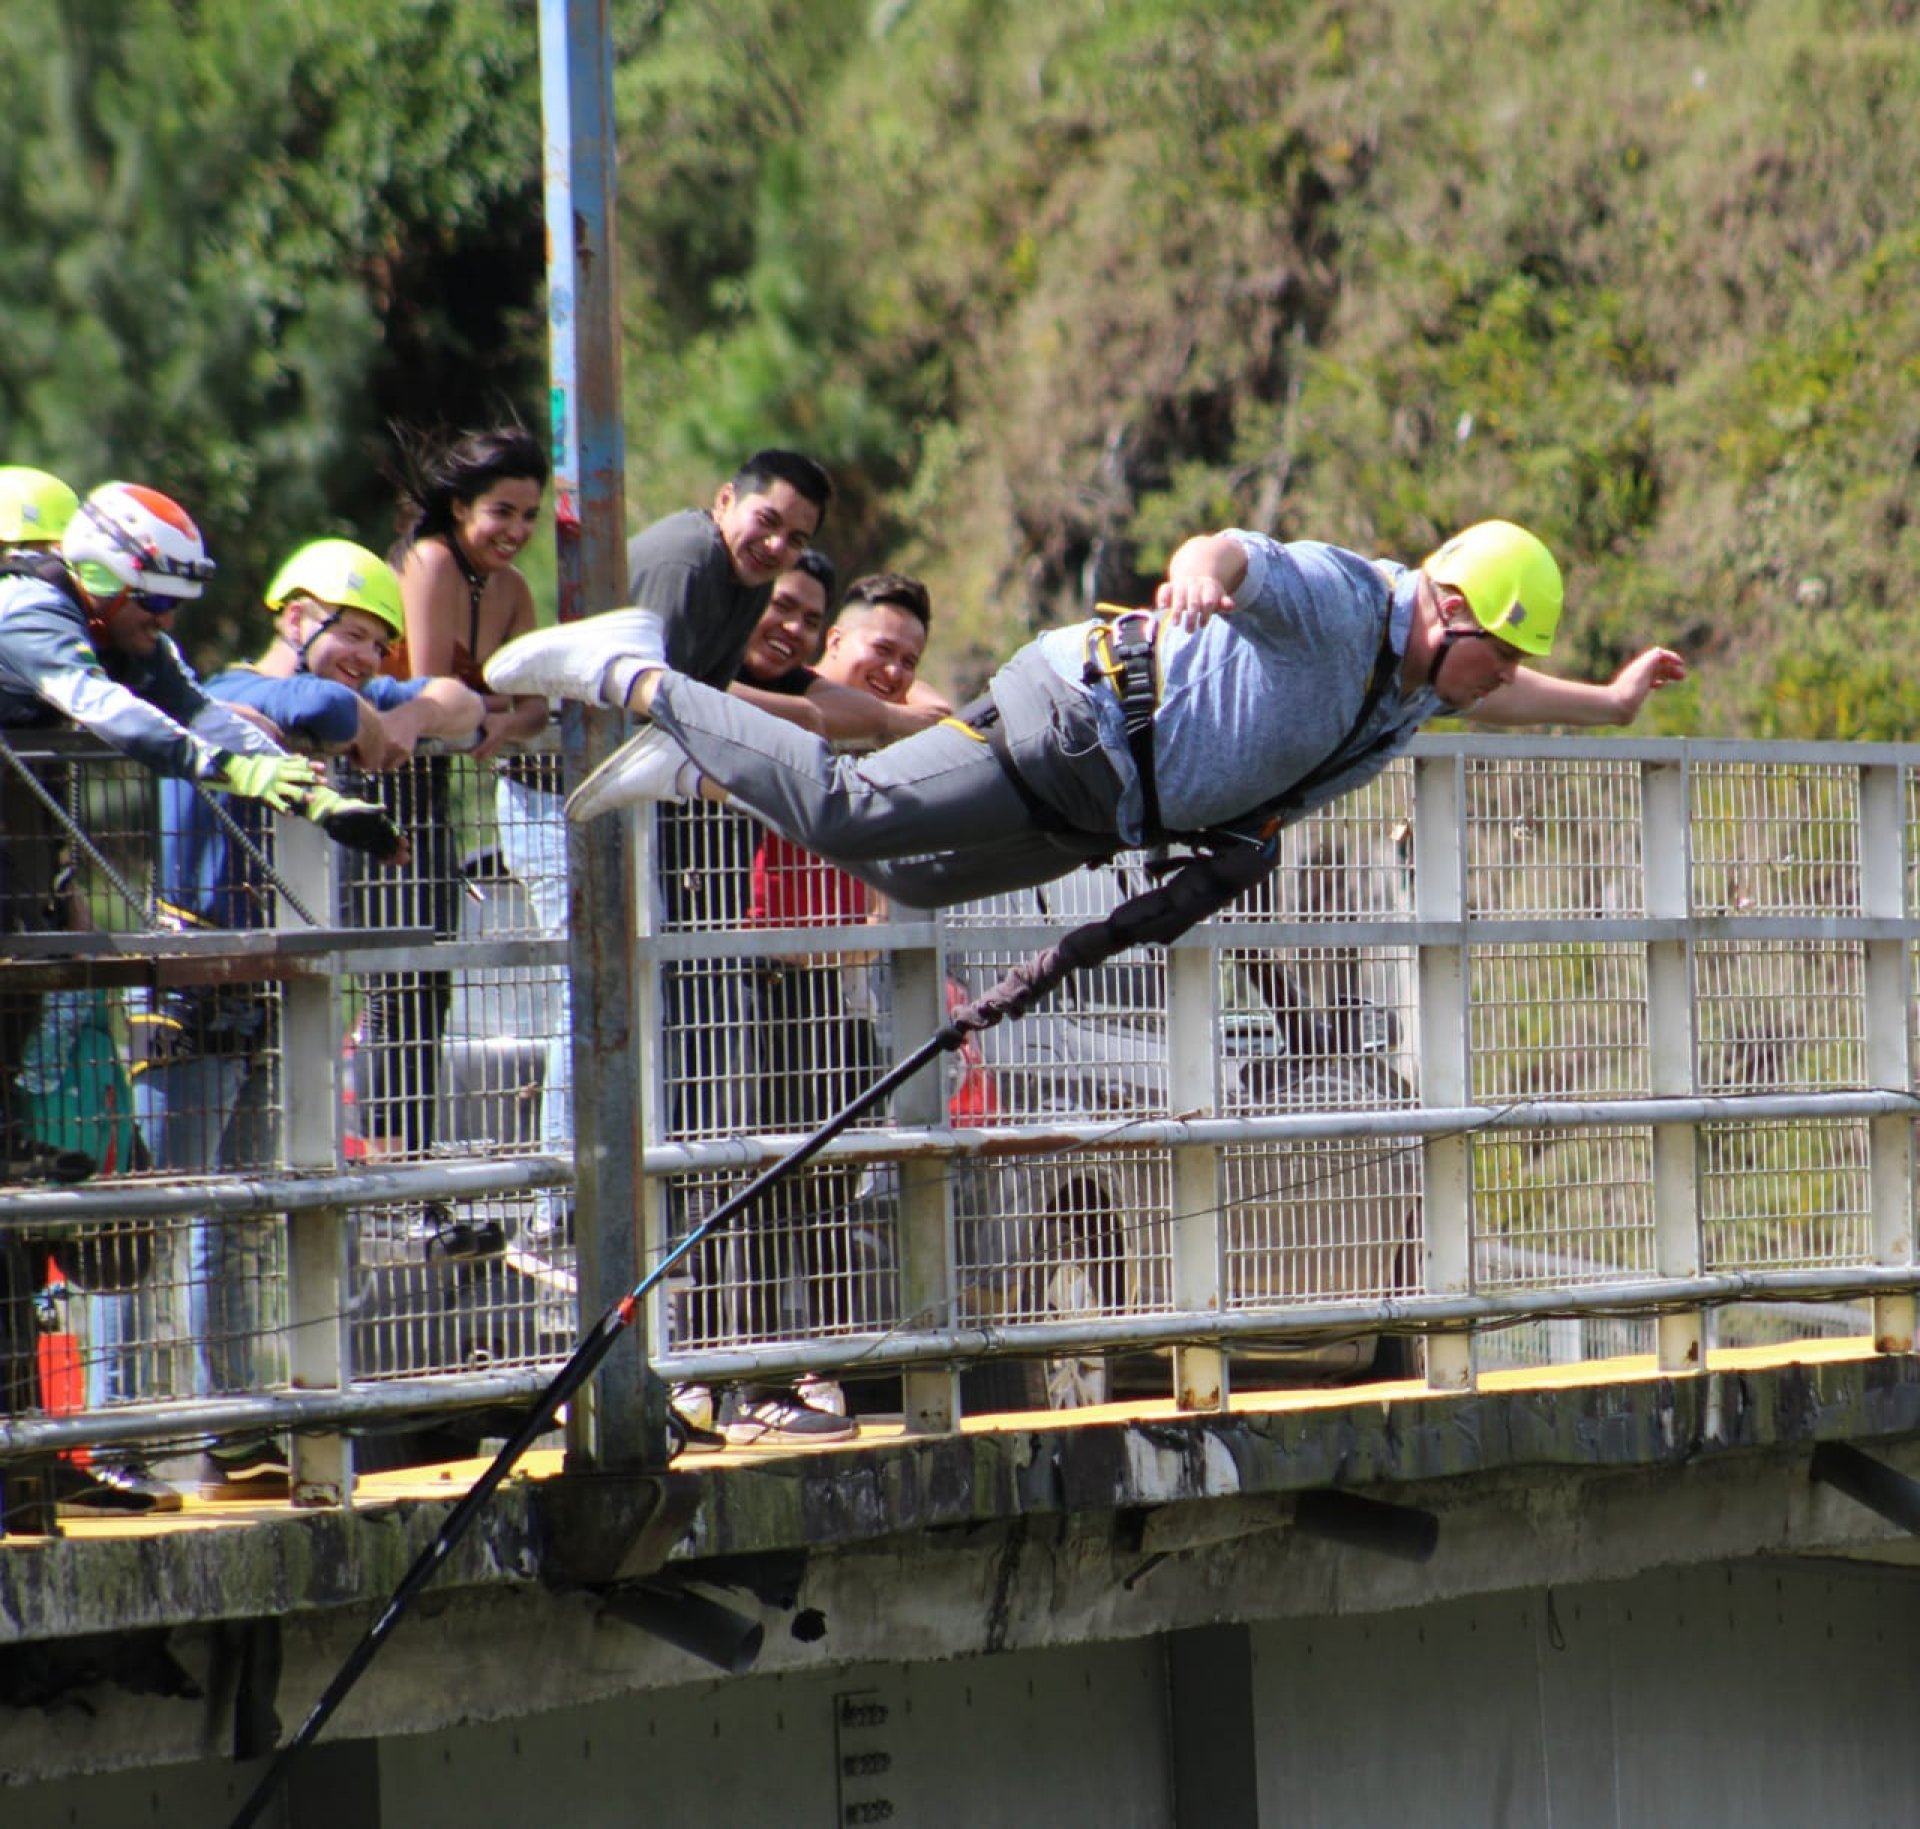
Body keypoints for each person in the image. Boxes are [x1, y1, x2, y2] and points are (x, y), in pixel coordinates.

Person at [489, 520, 1688, 908]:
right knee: (852, 817)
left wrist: (1614, 704)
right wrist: (1206, 576)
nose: (1502, 679)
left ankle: (698, 759)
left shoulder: (1429, 683)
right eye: (1501, 651)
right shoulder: (1341, 599)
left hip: (1101, 814)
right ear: (1451, 607)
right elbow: (1230, 551)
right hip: (1075, 720)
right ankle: (641, 674)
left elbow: (1512, 694)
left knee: (910, 882)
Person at [0, 482, 395, 1518]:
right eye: (151, 604)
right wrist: (236, 766)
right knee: (88, 1209)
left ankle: (35, 1465)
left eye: (174, 607)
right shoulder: (31, 613)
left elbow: (197, 705)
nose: (162, 623)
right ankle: (76, 1449)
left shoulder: (125, 630)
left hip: (21, 931)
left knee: (38, 1209)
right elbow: (112, 714)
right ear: (96, 577)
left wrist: (299, 781)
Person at [138, 538, 452, 1497]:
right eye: (348, 632)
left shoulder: (306, 697)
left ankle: (234, 1428)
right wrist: (366, 712)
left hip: (261, 989)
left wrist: (408, 703)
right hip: (191, 987)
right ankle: (114, 1439)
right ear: (293, 616)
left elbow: (463, 708)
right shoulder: (226, 688)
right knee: (151, 1216)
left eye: (376, 643)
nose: (362, 655)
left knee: (240, 1219)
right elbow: (311, 707)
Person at [352, 425, 551, 1171]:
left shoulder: (513, 590)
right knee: (394, 985)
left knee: (430, 984)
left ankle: (416, 1165)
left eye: (530, 515)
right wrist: (490, 713)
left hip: (428, 795)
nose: (518, 531)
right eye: (503, 511)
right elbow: (431, 693)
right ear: (461, 506)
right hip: (378, 787)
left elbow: (534, 703)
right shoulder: (430, 561)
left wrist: (493, 717)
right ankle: (389, 1163)